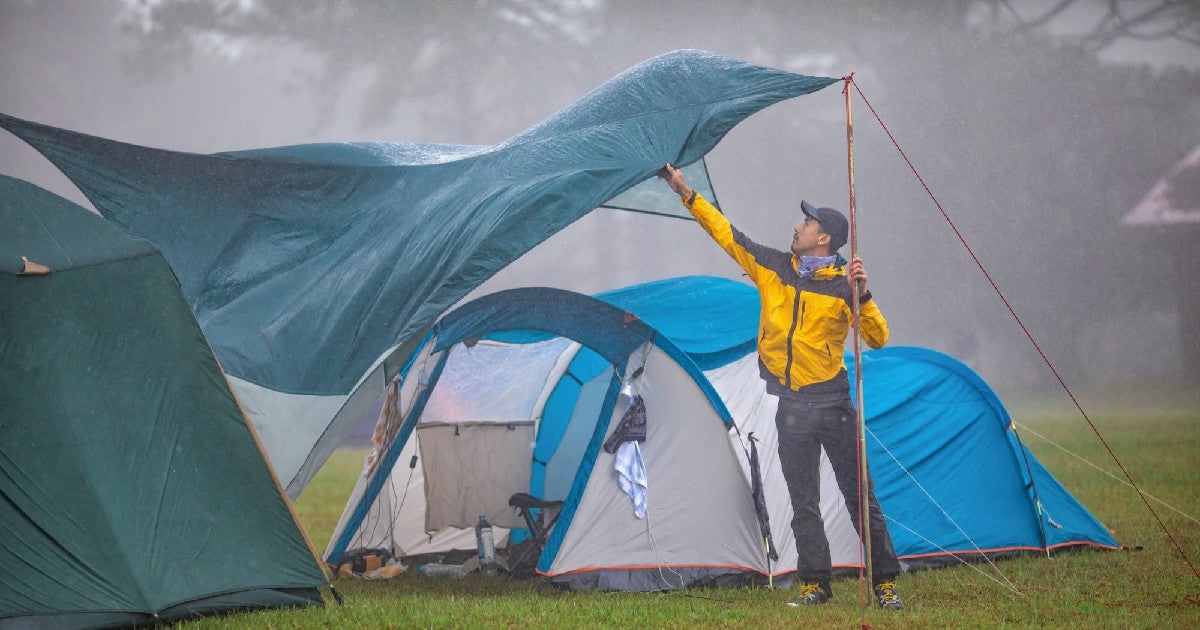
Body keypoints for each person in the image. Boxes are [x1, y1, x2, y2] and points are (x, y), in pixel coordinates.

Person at [657, 164, 903, 610]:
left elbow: (877, 338)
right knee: (802, 500)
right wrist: (685, 193)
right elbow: (727, 235)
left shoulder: (845, 284)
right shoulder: (773, 266)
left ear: (824, 237)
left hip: (833, 404)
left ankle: (885, 583)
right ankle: (816, 584)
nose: (798, 226)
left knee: (859, 497)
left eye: (807, 223)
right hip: (791, 406)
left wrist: (862, 296)